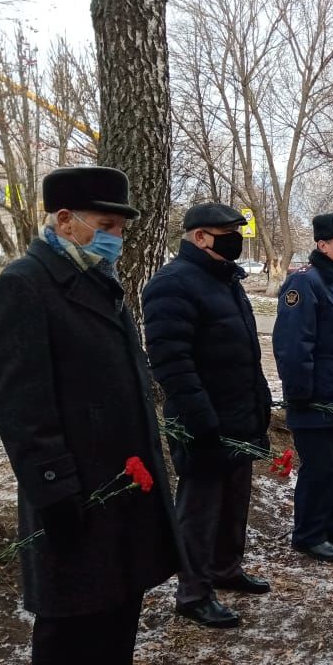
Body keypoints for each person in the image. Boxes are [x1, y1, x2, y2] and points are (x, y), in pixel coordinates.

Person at [0, 166, 178, 665]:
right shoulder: (24, 284)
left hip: (124, 468)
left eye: (120, 225)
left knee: (123, 587)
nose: (115, 236)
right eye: (106, 224)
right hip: (76, 480)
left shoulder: (99, 277)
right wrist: (53, 484)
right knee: (71, 608)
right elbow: (20, 403)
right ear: (64, 220)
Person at [143, 203, 273, 629]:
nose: (236, 237)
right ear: (199, 236)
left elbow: (244, 352)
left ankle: (225, 568)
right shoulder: (172, 284)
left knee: (234, 502)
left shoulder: (224, 280)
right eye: (227, 231)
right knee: (199, 509)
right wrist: (203, 420)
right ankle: (194, 592)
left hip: (238, 415)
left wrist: (259, 401)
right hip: (203, 422)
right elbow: (171, 363)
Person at [273, 212, 333, 563]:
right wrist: (301, 397)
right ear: (322, 244)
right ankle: (308, 533)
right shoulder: (306, 283)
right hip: (315, 400)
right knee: (317, 469)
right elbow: (293, 345)